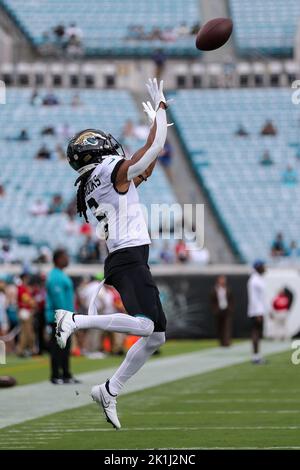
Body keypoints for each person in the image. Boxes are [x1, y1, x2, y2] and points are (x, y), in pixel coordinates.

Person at [54, 78, 169, 429]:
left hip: (126, 257)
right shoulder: (107, 171)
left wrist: (156, 122)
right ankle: (74, 320)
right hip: (128, 257)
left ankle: (109, 390)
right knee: (147, 326)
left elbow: (145, 163)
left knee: (157, 335)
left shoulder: (96, 179)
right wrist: (161, 108)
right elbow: (149, 153)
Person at [46, 249, 78, 384]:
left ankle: (66, 374)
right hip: (59, 317)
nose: (68, 259)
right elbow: (58, 299)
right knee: (58, 346)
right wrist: (65, 316)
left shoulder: (59, 275)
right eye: (65, 257)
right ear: (58, 259)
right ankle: (55, 375)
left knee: (65, 346)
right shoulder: (55, 276)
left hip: (65, 316)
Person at [247, 260, 267, 364]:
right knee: (256, 333)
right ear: (258, 267)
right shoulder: (254, 280)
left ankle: (257, 355)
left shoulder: (258, 279)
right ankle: (255, 356)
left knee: (258, 334)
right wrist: (258, 312)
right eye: (263, 266)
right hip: (256, 311)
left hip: (259, 310)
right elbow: (254, 298)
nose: (265, 268)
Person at [210, 275, 234, 347]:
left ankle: (227, 342)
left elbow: (232, 299)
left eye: (224, 279)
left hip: (226, 309)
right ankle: (221, 342)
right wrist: (214, 309)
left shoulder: (228, 289)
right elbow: (212, 300)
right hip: (218, 310)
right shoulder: (215, 289)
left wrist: (231, 308)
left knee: (227, 326)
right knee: (219, 327)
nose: (223, 281)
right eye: (221, 279)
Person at [16, 273, 36, 357]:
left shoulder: (22, 288)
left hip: (24, 311)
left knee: (25, 333)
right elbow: (27, 300)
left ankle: (22, 350)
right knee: (28, 332)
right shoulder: (22, 288)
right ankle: (29, 350)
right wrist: (33, 304)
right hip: (25, 311)